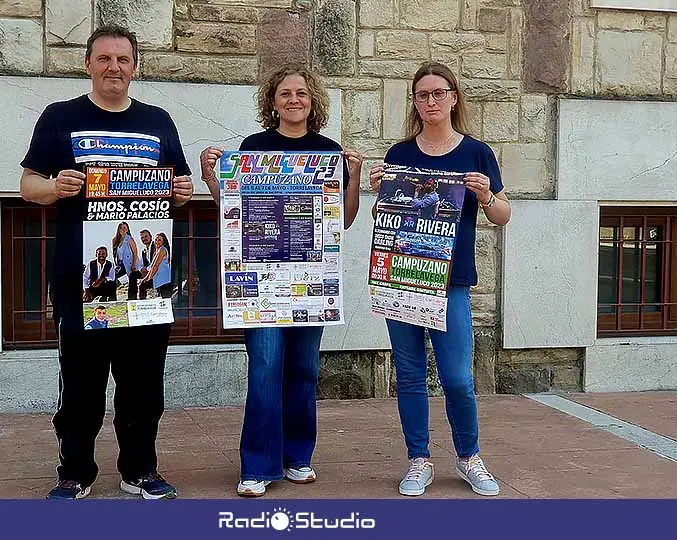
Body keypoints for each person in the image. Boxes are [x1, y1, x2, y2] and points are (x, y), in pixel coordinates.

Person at [19, 24, 193, 500]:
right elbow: (28, 185)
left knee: (142, 387)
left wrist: (181, 193)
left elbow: (180, 189)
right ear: (88, 64)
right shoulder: (61, 116)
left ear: (135, 67)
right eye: (104, 59)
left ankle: (140, 469)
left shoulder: (158, 120)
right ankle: (74, 471)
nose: (114, 67)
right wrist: (55, 187)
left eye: (123, 59)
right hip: (85, 283)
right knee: (81, 387)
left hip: (146, 283)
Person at [199, 64, 363, 497]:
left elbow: (343, 220)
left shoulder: (329, 151)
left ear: (313, 102)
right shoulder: (254, 147)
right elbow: (232, 211)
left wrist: (355, 175)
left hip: (311, 282)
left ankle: (298, 457)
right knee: (267, 367)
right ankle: (257, 465)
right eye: (286, 93)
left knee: (305, 372)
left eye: (302, 93)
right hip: (262, 284)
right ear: (272, 102)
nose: (294, 100)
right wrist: (210, 177)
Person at [370, 62, 511, 497]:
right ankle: (419, 459)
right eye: (422, 95)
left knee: (457, 378)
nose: (430, 101)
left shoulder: (476, 153)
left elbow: (502, 215)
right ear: (414, 102)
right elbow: (384, 220)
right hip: (402, 278)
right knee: (409, 375)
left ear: (453, 97)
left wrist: (486, 194)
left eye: (438, 93)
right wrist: (380, 194)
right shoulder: (399, 155)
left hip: (450, 283)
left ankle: (469, 457)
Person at [112, 221, 140, 300]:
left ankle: (132, 298)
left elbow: (135, 252)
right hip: (120, 264)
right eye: (121, 228)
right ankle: (112, 298)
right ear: (118, 229)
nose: (122, 229)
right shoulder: (115, 240)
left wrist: (134, 264)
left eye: (124, 228)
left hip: (130, 262)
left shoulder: (129, 239)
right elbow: (114, 254)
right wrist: (116, 264)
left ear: (127, 229)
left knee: (132, 279)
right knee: (112, 277)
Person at [143, 232, 172, 299]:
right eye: (156, 240)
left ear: (163, 242)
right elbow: (152, 266)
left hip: (165, 280)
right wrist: (146, 278)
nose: (157, 242)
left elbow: (156, 266)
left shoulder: (162, 250)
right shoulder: (157, 250)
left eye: (159, 240)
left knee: (165, 301)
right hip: (159, 280)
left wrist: (149, 278)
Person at [138, 229, 156, 299]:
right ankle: (141, 302)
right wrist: (141, 269)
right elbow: (140, 264)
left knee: (143, 283)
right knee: (141, 284)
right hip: (150, 274)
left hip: (157, 274)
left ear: (150, 237)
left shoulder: (155, 246)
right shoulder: (144, 251)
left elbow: (156, 262)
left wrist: (147, 270)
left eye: (146, 236)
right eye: (142, 238)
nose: (144, 239)